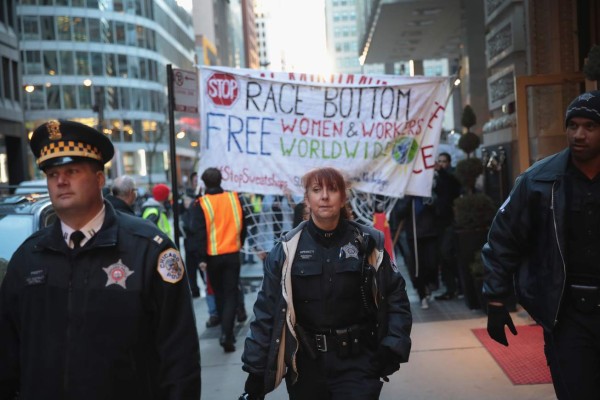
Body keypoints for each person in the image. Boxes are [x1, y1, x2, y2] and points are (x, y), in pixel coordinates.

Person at [0, 119, 200, 399]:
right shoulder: (28, 258)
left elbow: (179, 357)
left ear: (99, 178)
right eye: (52, 173)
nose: (61, 181)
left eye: (72, 170)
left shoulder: (148, 251)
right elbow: (8, 356)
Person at [241, 167, 412, 400]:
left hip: (358, 364)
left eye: (332, 189)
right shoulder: (286, 251)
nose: (324, 196)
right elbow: (266, 313)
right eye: (316, 190)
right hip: (305, 367)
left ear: (343, 198)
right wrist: (255, 372)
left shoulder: (369, 243)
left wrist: (392, 348)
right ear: (307, 199)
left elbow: (396, 298)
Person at [482, 90, 600, 399]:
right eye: (573, 125)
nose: (579, 134)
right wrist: (496, 300)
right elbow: (503, 238)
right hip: (567, 313)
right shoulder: (538, 180)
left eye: (589, 126)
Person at [190, 167, 248, 352]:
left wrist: (201, 258)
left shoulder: (201, 203)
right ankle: (227, 334)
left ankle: (226, 333)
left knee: (220, 295)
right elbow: (243, 226)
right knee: (231, 293)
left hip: (212, 256)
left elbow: (198, 233)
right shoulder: (234, 198)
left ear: (204, 183)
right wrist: (239, 243)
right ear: (221, 180)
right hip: (232, 253)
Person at [433, 152, 462, 300]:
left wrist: (441, 171)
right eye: (439, 161)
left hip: (450, 221)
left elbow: (452, 186)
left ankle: (459, 284)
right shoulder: (437, 178)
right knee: (442, 257)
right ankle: (450, 288)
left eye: (444, 161)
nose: (441, 163)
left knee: (447, 253)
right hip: (438, 222)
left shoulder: (450, 176)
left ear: (449, 162)